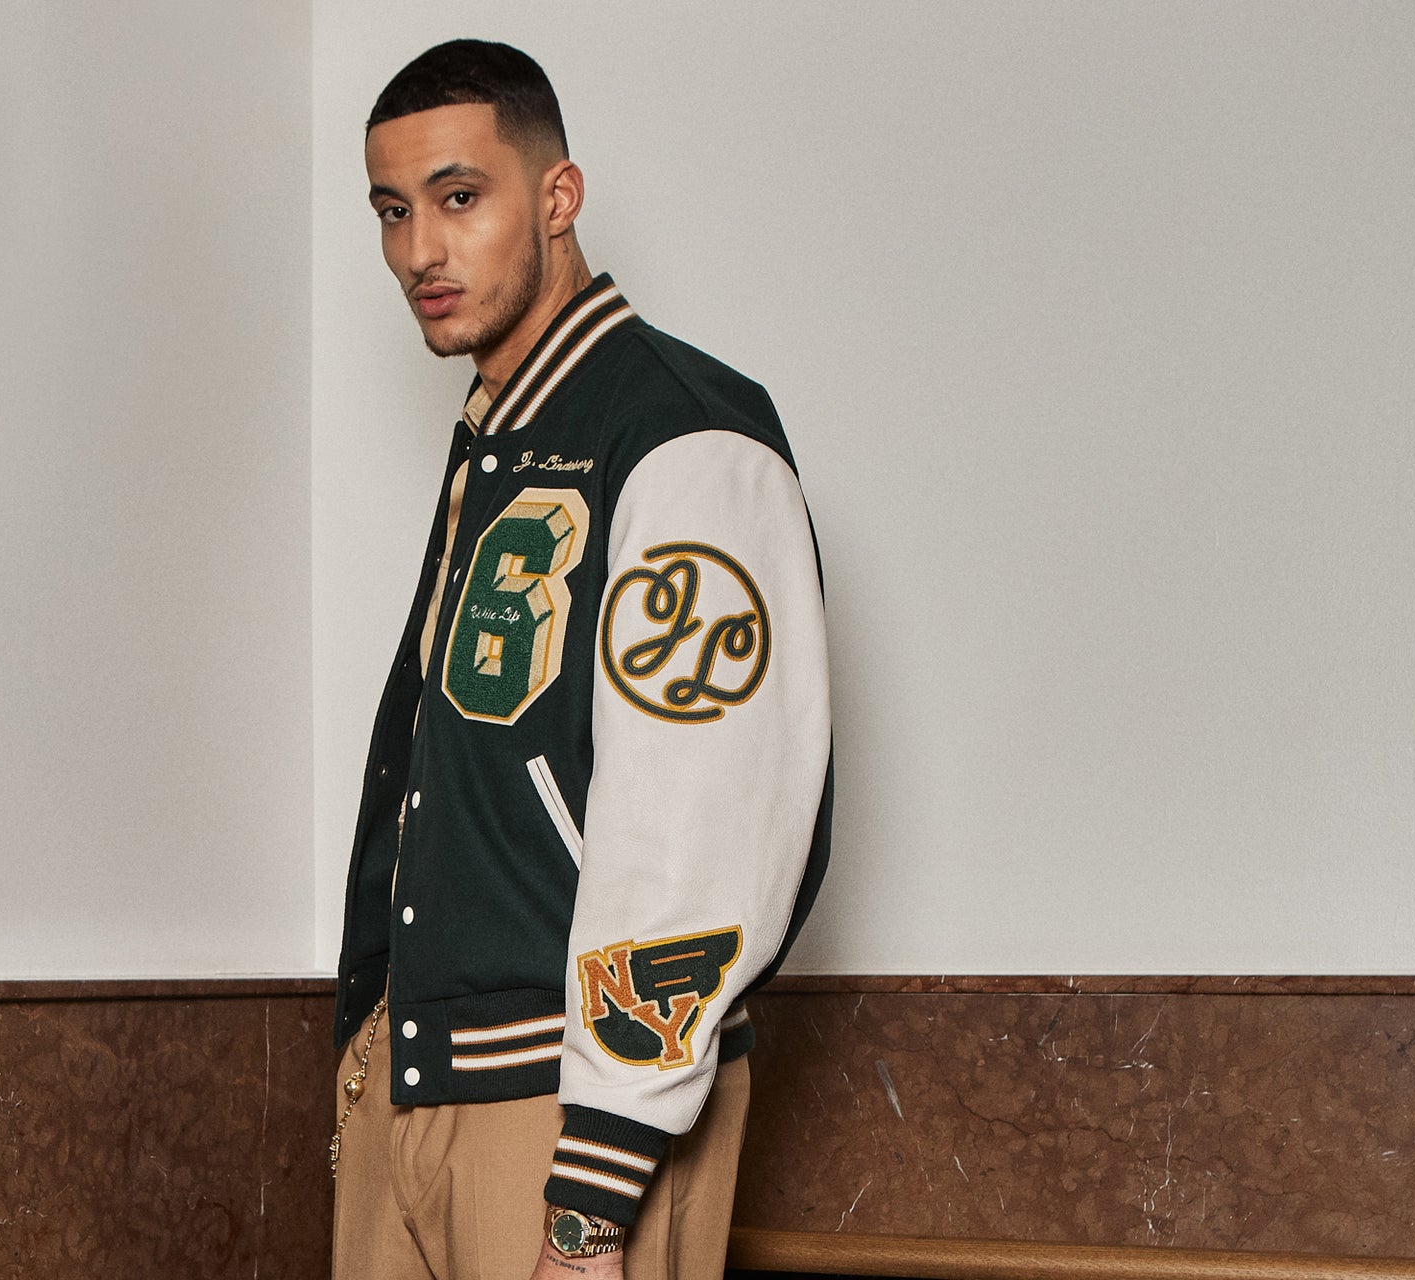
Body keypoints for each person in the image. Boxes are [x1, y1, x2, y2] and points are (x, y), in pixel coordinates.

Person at [330, 38, 833, 1280]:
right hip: (416, 1085)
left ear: (558, 197)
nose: (420, 251)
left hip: (565, 1116)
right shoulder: (501, 434)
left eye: (459, 197)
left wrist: (592, 1195)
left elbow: (703, 819)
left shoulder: (679, 433)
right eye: (392, 211)